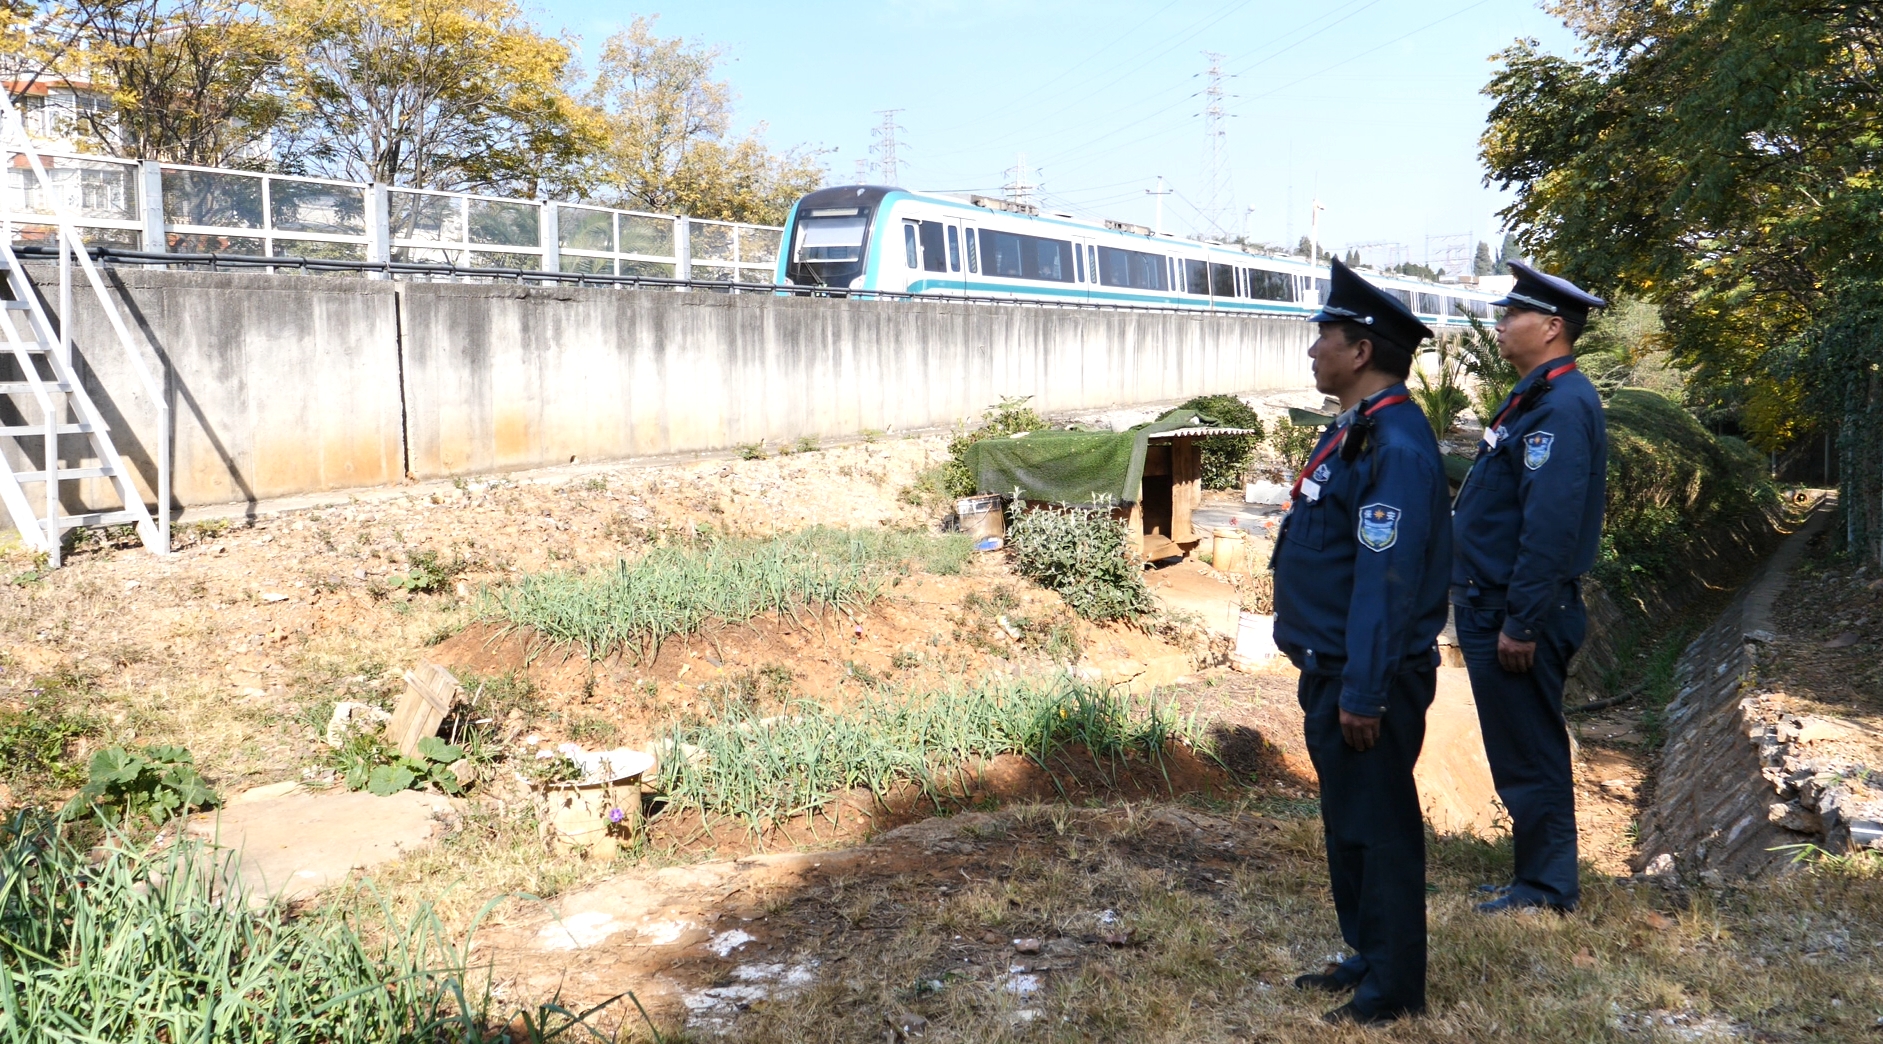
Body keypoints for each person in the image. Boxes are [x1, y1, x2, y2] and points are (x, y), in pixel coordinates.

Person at [1272, 259, 1451, 1026]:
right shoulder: (1357, 429)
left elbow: (1386, 581)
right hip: (1331, 665)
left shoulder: (1396, 446)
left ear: (1361, 350)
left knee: (1378, 832)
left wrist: (1364, 691)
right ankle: (1367, 953)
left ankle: (1394, 987)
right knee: (1349, 825)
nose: (1313, 350)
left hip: (1362, 674)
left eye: (1324, 338)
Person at [1451, 260, 1608, 914]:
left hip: (1518, 615)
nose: (1499, 325)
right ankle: (1533, 877)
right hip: (1497, 605)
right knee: (1518, 748)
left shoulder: (1562, 406)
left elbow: (1548, 525)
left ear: (1549, 327)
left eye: (1511, 315)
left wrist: (1521, 621)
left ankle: (1545, 887)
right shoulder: (1534, 397)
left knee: (1531, 750)